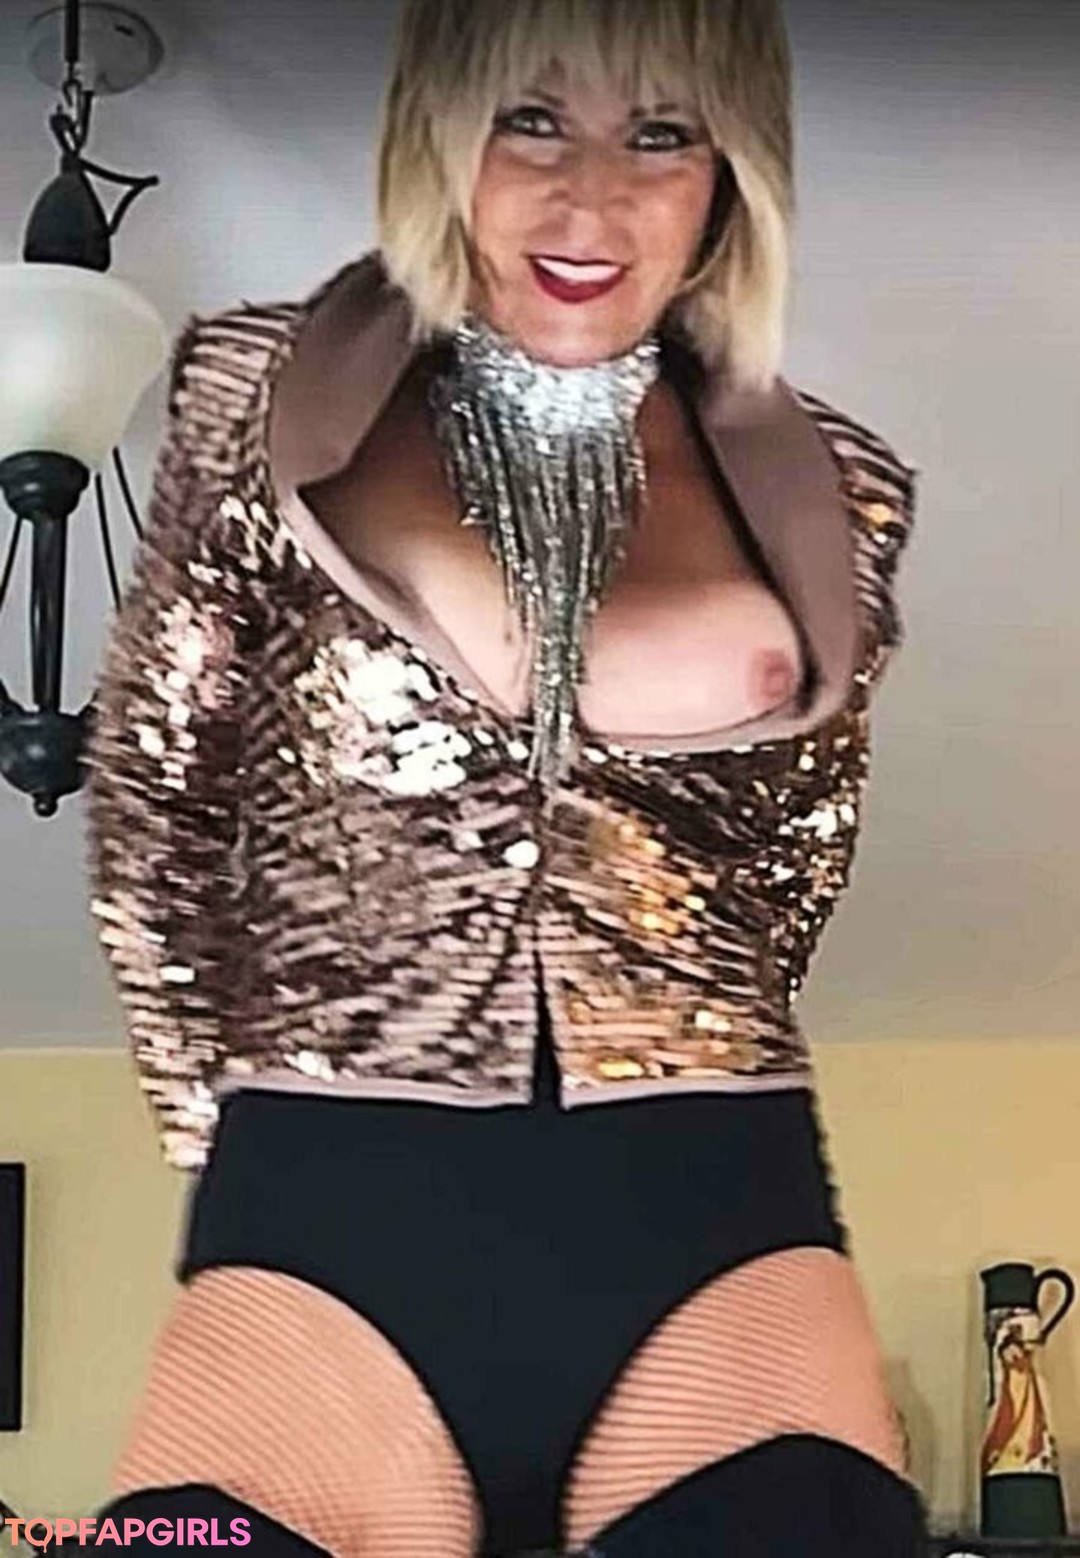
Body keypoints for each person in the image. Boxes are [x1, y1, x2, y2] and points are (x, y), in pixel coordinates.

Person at [82, 0, 928, 1553]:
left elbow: (796, 853)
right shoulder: (256, 387)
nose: (589, 199)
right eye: (531, 120)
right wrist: (236, 1143)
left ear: (731, 174)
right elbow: (157, 802)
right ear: (440, 138)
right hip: (322, 1227)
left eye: (660, 134)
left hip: (718, 1218)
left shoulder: (842, 486)